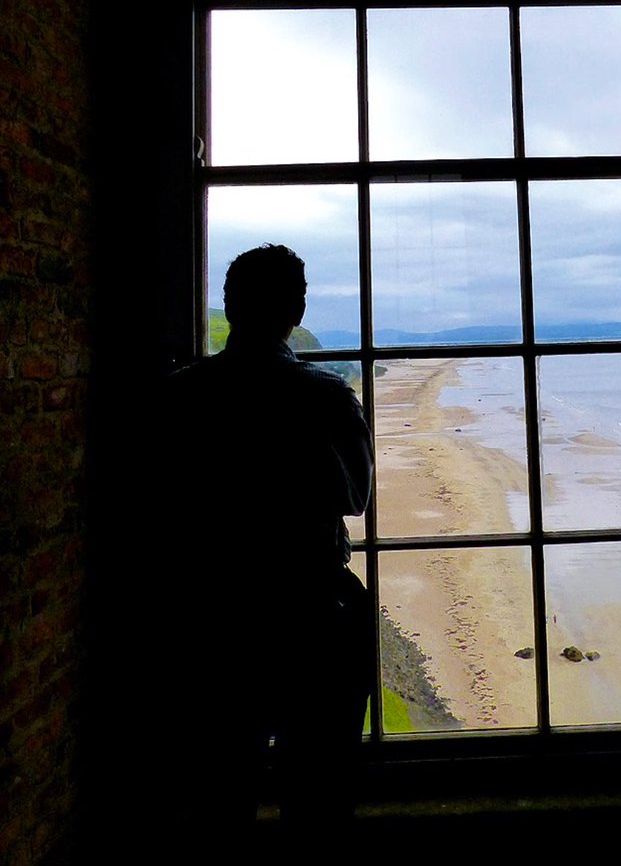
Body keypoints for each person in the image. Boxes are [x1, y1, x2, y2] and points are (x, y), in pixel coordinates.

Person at [155, 244, 374, 857]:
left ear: (230, 304)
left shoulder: (178, 396)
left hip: (210, 617)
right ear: (296, 307)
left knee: (218, 802)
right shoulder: (325, 396)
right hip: (311, 613)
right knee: (321, 800)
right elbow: (354, 495)